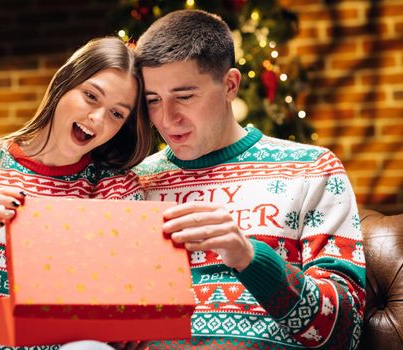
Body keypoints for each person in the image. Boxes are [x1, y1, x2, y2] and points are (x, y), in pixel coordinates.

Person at [133, 9, 366, 349]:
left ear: (230, 85)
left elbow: (346, 333)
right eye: (153, 101)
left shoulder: (311, 170)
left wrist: (248, 256)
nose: (167, 119)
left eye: (184, 96)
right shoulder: (137, 184)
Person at [0, 37, 152, 350]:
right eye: (91, 96)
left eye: (117, 114)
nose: (98, 118)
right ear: (64, 85)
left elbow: (126, 322)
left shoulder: (115, 189)